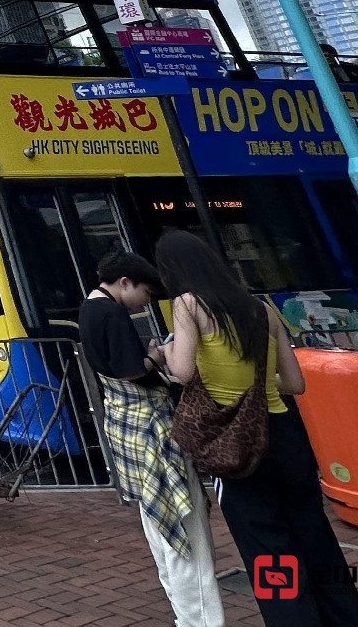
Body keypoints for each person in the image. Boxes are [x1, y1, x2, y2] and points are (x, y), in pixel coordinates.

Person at [157, 230, 358, 626]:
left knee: (267, 545)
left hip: (235, 442)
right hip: (284, 433)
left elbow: (183, 372)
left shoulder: (188, 304)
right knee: (314, 532)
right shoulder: (261, 308)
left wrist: (167, 349)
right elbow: (294, 383)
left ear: (173, 270)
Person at [79, 252, 223, 627]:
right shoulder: (112, 313)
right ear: (125, 282)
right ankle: (201, 621)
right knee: (186, 530)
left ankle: (184, 615)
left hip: (125, 429)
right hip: (151, 429)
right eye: (146, 292)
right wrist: (160, 355)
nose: (148, 301)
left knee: (159, 528)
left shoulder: (89, 308)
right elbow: (131, 370)